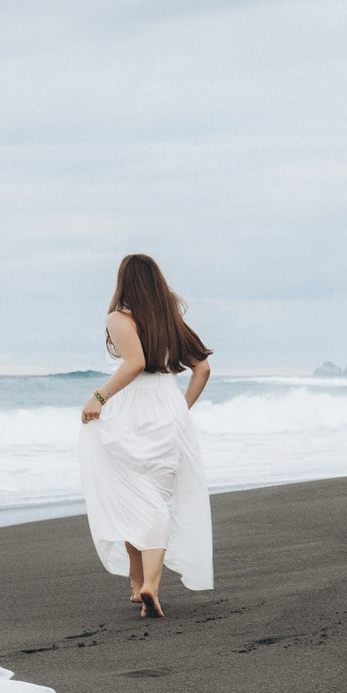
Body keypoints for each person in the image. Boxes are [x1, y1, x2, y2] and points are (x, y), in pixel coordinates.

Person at [78, 253, 214, 615]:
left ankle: (144, 584)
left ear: (124, 282)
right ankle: (142, 586)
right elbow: (202, 369)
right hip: (166, 415)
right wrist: (179, 411)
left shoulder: (119, 318)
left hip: (129, 416)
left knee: (132, 501)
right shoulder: (170, 321)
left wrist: (99, 395)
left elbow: (135, 362)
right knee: (154, 501)